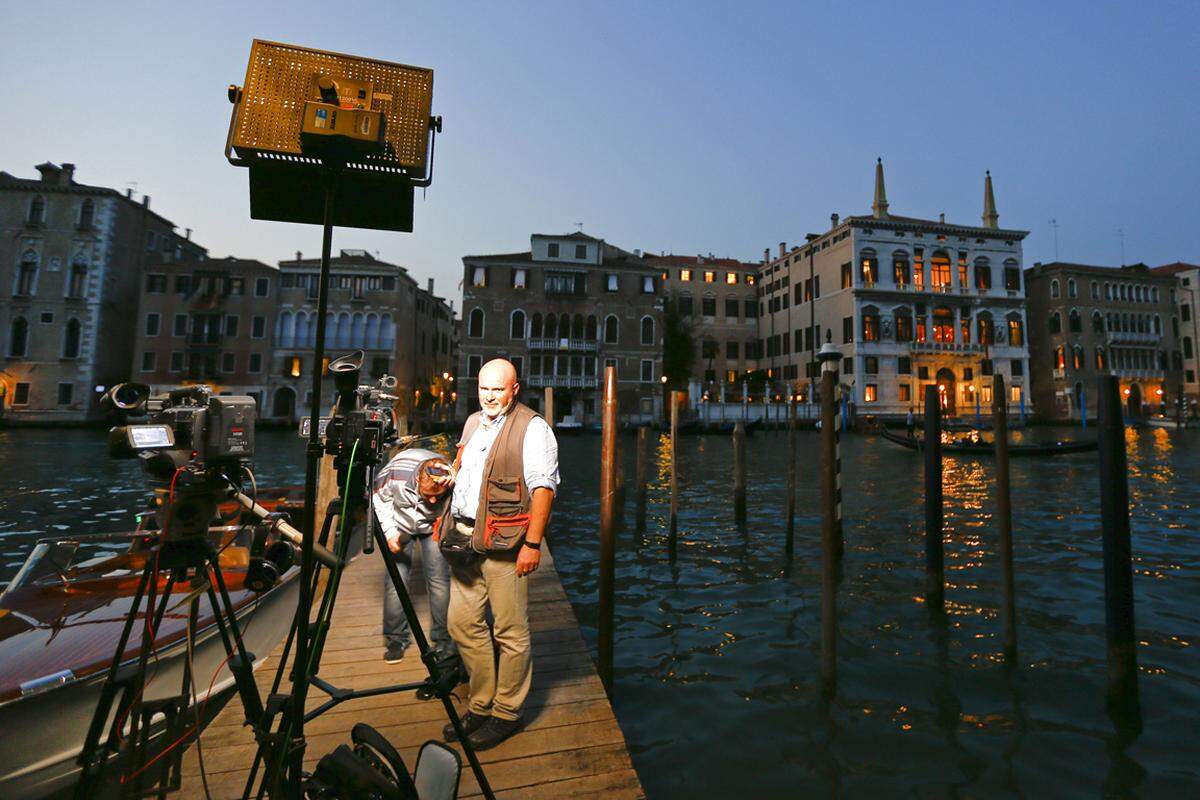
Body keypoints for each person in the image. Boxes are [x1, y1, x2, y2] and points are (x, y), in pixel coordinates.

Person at [443, 358, 558, 751]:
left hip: (506, 543)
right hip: (463, 539)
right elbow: (462, 468)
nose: (490, 396)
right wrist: (444, 476)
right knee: (461, 624)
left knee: (509, 631)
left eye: (498, 389)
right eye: (484, 389)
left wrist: (532, 544)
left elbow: (543, 488)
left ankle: (507, 712)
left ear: (514, 389)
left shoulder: (533, 428)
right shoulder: (473, 422)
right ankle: (481, 702)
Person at [372, 448, 457, 670]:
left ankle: (443, 642)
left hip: (433, 525)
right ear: (418, 478)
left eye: (437, 496)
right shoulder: (394, 475)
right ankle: (395, 639)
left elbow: (457, 505)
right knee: (395, 581)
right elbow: (379, 500)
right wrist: (390, 533)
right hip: (399, 523)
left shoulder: (450, 478)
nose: (431, 499)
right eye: (427, 493)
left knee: (439, 582)